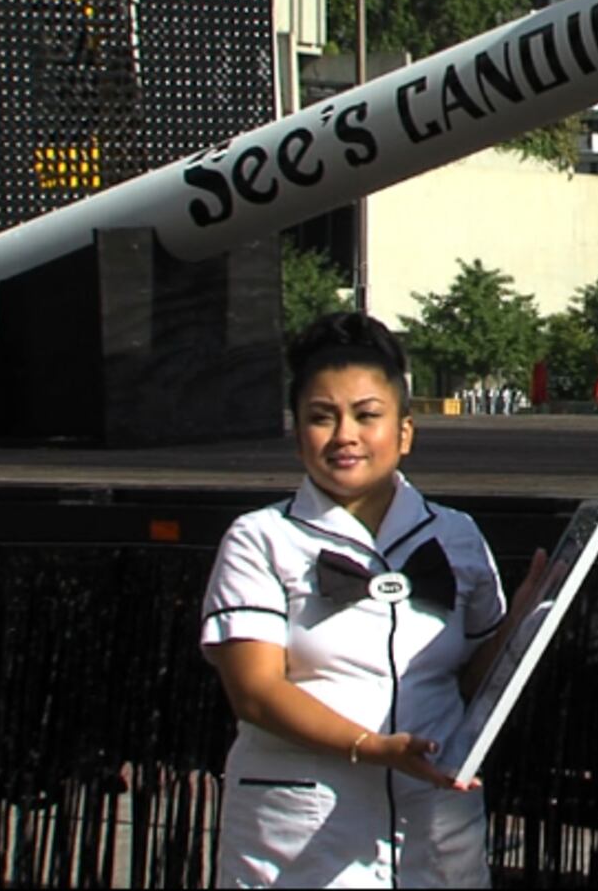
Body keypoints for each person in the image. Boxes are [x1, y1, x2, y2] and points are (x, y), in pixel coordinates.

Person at [199, 312, 542, 888]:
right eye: (321, 418)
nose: (344, 436)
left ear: (405, 431)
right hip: (302, 840)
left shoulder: (456, 535)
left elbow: (472, 679)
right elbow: (255, 693)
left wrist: (527, 617)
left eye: (367, 416)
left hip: (434, 831)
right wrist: (371, 747)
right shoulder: (259, 538)